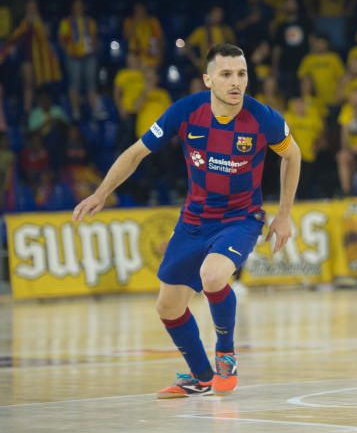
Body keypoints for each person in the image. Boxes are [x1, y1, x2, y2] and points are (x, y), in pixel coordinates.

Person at [72, 44, 302, 398]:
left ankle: (226, 354)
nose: (236, 82)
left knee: (212, 276)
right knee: (167, 306)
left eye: (241, 74)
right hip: (194, 220)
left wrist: (284, 215)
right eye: (226, 74)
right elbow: (136, 153)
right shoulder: (186, 111)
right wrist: (102, 193)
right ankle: (201, 377)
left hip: (241, 218)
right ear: (208, 79)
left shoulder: (262, 118)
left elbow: (293, 155)